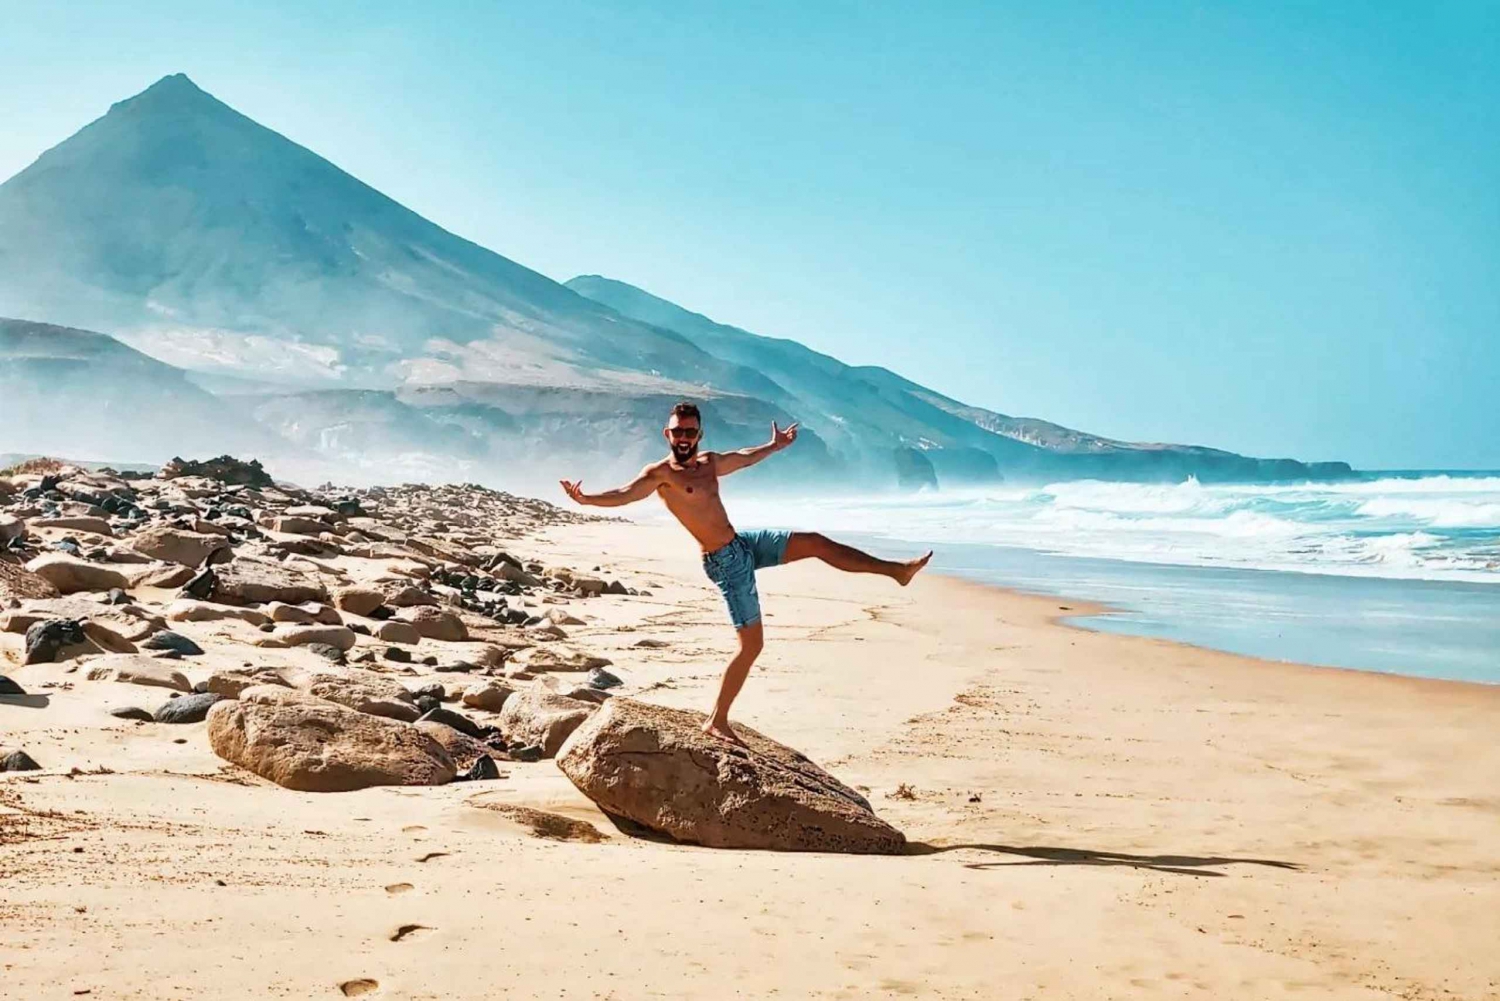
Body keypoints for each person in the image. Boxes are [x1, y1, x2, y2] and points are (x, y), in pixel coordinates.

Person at [560, 400, 931, 743]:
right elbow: (625, 493)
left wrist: (775, 446)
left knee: (816, 542)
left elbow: (743, 458)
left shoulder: (708, 463)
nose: (684, 438)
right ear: (667, 435)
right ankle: (717, 720)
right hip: (724, 563)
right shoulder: (661, 474)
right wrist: (586, 498)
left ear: (699, 435)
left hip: (742, 545)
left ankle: (897, 571)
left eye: (690, 432)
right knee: (751, 646)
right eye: (678, 432)